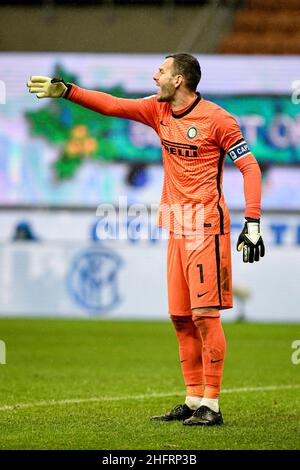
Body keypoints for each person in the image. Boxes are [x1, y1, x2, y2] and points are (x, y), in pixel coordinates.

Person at [27, 54, 265, 426]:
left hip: (206, 227)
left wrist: (253, 222)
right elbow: (113, 105)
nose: (155, 76)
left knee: (205, 316)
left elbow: (250, 167)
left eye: (162, 71)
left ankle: (212, 405)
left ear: (179, 80)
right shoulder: (158, 111)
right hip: (176, 224)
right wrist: (67, 91)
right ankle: (192, 399)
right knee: (181, 318)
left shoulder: (218, 120)